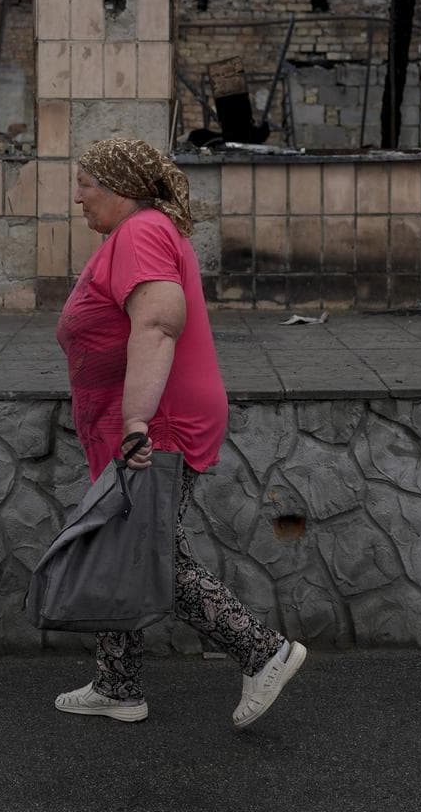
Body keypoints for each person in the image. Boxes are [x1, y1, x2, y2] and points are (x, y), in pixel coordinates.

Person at [51, 136, 307, 728]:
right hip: (144, 420)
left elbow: (160, 323)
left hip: (155, 423)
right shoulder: (143, 231)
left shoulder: (140, 232)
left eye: (85, 183)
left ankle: (262, 652)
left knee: (147, 551)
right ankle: (118, 685)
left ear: (119, 188)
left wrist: (137, 421)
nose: (77, 197)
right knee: (123, 544)